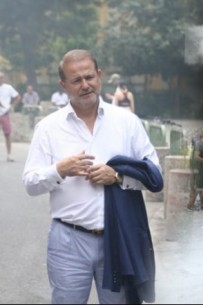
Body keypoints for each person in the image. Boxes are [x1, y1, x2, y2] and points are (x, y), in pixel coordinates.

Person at [22, 49, 162, 304]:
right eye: (76, 80)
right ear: (63, 85)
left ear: (99, 75)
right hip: (68, 241)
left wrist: (118, 176)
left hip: (118, 239)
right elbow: (30, 184)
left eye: (89, 77)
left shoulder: (127, 122)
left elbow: (154, 172)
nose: (85, 85)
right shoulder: (48, 128)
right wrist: (59, 170)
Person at [0, 71, 21, 162]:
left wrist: (12, 107)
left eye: (1, 77)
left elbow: (17, 97)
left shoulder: (8, 88)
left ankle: (9, 154)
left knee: (7, 134)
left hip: (5, 113)